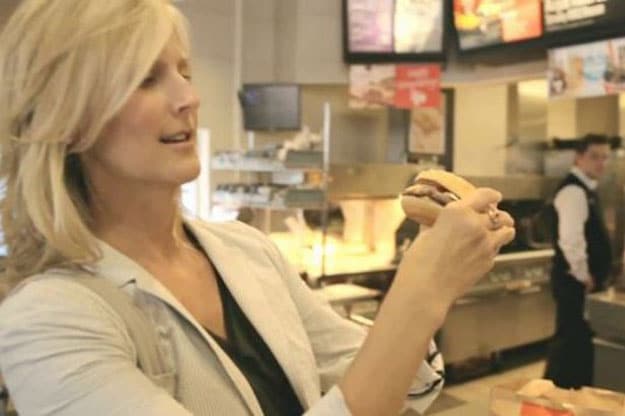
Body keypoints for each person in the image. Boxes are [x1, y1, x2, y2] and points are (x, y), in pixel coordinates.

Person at [0, 1, 515, 415]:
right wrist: (423, 290)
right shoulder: (48, 321)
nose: (188, 97)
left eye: (183, 71)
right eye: (145, 78)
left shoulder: (244, 250)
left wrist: (437, 269)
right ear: (68, 118)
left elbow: (382, 376)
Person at [544, 134, 613, 389]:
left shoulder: (587, 189)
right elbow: (571, 240)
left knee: (577, 342)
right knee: (570, 341)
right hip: (575, 281)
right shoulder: (573, 191)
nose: (601, 163)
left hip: (581, 281)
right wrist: (584, 274)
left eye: (605, 157)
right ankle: (552, 396)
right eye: (595, 156)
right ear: (579, 157)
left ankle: (567, 395)